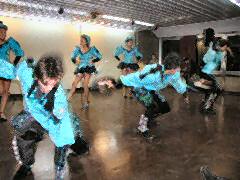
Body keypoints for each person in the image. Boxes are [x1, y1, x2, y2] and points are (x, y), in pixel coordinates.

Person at [11, 56, 87, 180]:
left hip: (53, 118)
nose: (49, 89)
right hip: (33, 115)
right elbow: (9, 69)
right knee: (22, 130)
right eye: (45, 83)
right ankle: (26, 164)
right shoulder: (26, 72)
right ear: (36, 76)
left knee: (68, 136)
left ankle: (78, 144)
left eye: (54, 83)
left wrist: (58, 173)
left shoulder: (59, 96)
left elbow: (62, 126)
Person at [120, 53, 189, 138]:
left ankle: (148, 118)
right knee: (151, 106)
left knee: (165, 108)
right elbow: (137, 77)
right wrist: (123, 80)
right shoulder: (153, 72)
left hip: (152, 89)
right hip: (140, 88)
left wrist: (185, 93)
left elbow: (179, 85)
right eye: (177, 67)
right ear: (171, 69)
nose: (179, 69)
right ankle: (142, 127)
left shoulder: (175, 74)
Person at [68, 34, 102, 110]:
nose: (80, 41)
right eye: (80, 40)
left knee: (85, 85)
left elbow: (100, 56)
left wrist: (93, 60)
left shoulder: (92, 49)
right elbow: (72, 57)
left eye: (82, 40)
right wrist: (75, 61)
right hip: (80, 68)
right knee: (74, 83)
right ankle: (68, 98)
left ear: (86, 42)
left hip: (88, 68)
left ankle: (86, 102)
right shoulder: (77, 49)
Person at [0, 21, 24, 122]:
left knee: (5, 91)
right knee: (1, 91)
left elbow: (19, 52)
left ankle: (1, 113)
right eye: (1, 32)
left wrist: (13, 65)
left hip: (5, 69)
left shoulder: (9, 42)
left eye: (5, 32)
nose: (3, 34)